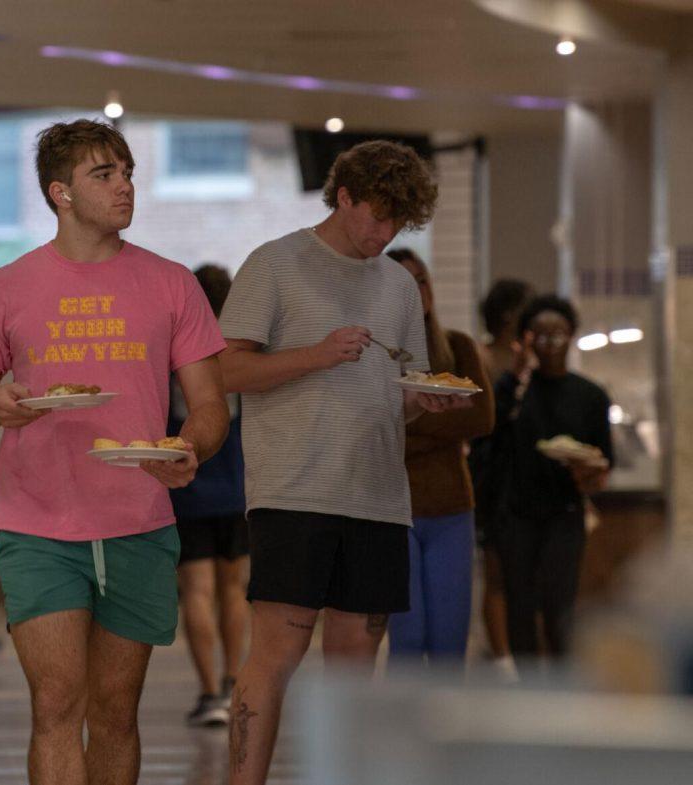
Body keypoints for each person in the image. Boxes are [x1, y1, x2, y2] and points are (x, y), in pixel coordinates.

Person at [0, 119, 230, 785]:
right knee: (54, 704)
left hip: (138, 520)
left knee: (113, 712)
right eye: (104, 174)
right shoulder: (6, 287)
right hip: (37, 526)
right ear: (61, 193)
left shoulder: (171, 284)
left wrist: (188, 447)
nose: (124, 185)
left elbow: (210, 405)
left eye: (127, 171)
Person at [218, 140, 468, 785]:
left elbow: (401, 391)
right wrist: (316, 354)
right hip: (293, 491)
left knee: (357, 666)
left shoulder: (397, 286)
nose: (384, 236)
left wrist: (423, 401)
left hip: (379, 496)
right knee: (276, 653)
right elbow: (224, 369)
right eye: (376, 217)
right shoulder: (275, 264)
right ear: (345, 196)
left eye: (400, 225)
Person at [385, 249, 494, 665]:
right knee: (408, 638)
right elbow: (376, 427)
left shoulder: (458, 348)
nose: (416, 290)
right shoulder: (378, 354)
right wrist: (443, 412)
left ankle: (448, 727)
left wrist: (408, 418)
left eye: (422, 280)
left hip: (451, 506)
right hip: (396, 508)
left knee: (449, 639)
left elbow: (481, 418)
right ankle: (405, 729)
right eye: (404, 281)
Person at [493, 294, 612, 665]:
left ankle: (563, 685)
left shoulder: (590, 395)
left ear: (572, 336)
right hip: (517, 514)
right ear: (527, 340)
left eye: (558, 336)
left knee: (559, 604)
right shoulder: (515, 390)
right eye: (541, 337)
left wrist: (588, 469)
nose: (551, 345)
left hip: (565, 512)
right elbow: (492, 439)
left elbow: (605, 460)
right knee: (519, 604)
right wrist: (515, 375)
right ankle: (527, 690)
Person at [169, 264, 249, 727]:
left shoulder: (179, 346)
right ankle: (233, 680)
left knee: (196, 590)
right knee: (233, 589)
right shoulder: (236, 347)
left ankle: (207, 693)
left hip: (191, 481)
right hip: (236, 482)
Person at [472, 278, 534, 680]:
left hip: (527, 475)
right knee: (495, 569)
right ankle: (502, 657)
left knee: (523, 572)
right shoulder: (484, 356)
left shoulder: (530, 357)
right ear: (510, 315)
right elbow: (483, 420)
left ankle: (524, 652)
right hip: (492, 474)